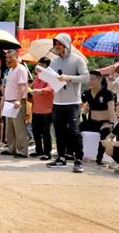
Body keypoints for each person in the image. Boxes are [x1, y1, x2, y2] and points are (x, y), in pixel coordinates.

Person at [46, 33, 89, 172]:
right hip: (57, 101)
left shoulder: (78, 60)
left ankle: (78, 159)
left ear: (67, 44)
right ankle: (61, 157)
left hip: (73, 101)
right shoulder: (54, 61)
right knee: (59, 131)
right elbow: (51, 78)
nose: (57, 46)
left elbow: (86, 77)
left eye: (60, 43)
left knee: (74, 131)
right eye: (55, 44)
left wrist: (68, 78)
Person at [81, 71, 116, 165]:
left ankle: (99, 159)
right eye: (88, 79)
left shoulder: (107, 93)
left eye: (92, 79)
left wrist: (111, 124)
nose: (90, 81)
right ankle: (76, 154)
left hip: (105, 122)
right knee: (74, 129)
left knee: (105, 133)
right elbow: (79, 106)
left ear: (99, 79)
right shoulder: (86, 93)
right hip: (91, 122)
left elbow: (112, 111)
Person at [0, 50, 29, 158]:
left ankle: (22, 150)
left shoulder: (21, 69)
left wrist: (18, 100)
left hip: (17, 101)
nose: (8, 60)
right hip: (9, 101)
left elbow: (22, 86)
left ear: (17, 57)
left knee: (19, 127)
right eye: (6, 58)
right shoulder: (10, 70)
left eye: (10, 57)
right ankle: (11, 148)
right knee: (10, 127)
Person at [29, 57, 54, 160]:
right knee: (35, 131)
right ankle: (39, 150)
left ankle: (47, 152)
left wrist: (39, 91)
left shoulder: (50, 76)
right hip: (36, 108)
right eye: (39, 64)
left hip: (47, 109)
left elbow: (50, 88)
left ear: (47, 67)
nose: (39, 67)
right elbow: (32, 87)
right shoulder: (36, 77)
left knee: (46, 131)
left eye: (42, 65)